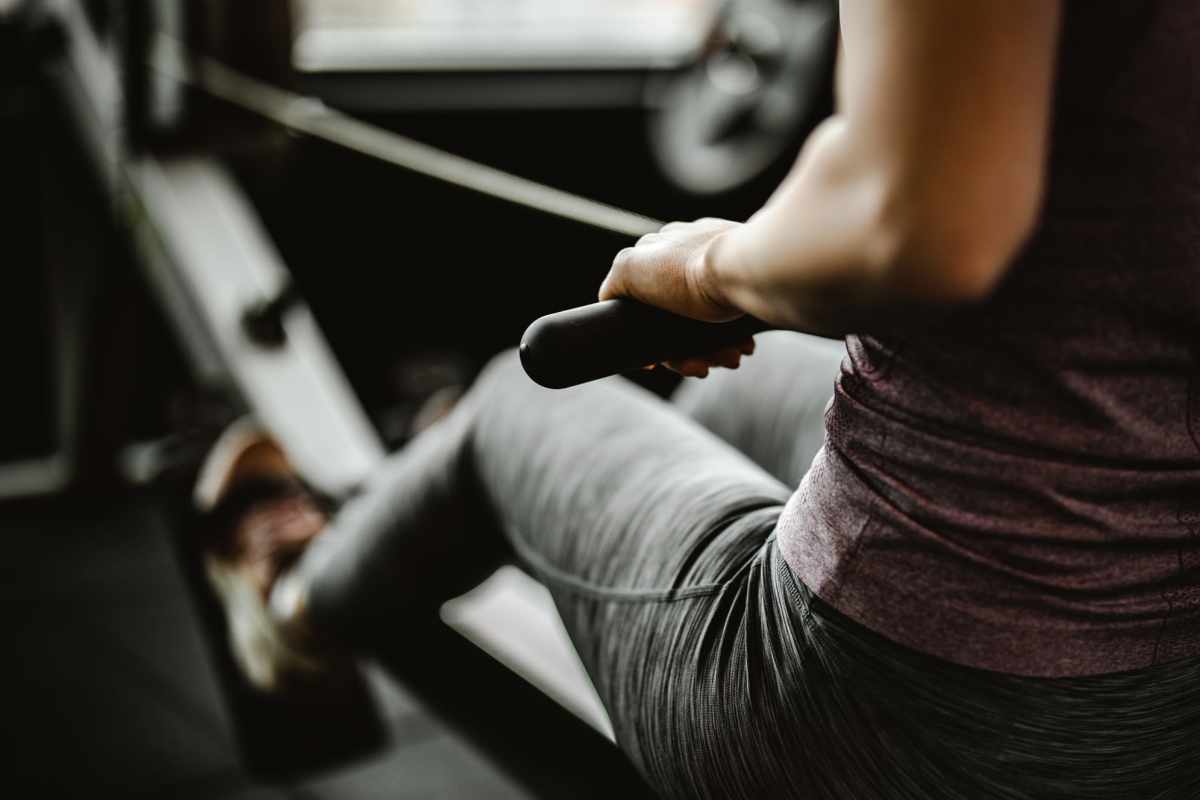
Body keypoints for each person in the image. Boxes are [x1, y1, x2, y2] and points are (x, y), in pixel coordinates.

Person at [198, 1, 1200, 797]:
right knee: (738, 386)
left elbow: (919, 227)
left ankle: (295, 607)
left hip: (898, 717)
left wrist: (708, 267)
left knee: (518, 405)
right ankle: (458, 495)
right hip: (1171, 701)